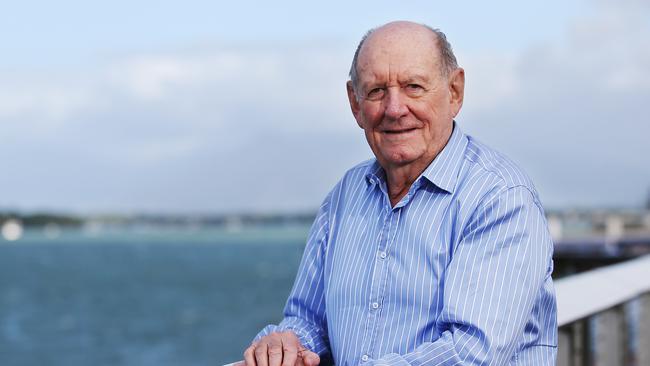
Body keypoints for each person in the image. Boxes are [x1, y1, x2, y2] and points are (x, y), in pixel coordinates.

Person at [243, 21, 557, 365]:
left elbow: (471, 353)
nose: (394, 109)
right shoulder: (344, 197)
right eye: (377, 91)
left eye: (413, 87)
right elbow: (308, 320)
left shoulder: (499, 197)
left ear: (455, 92)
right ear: (355, 104)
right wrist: (285, 345)